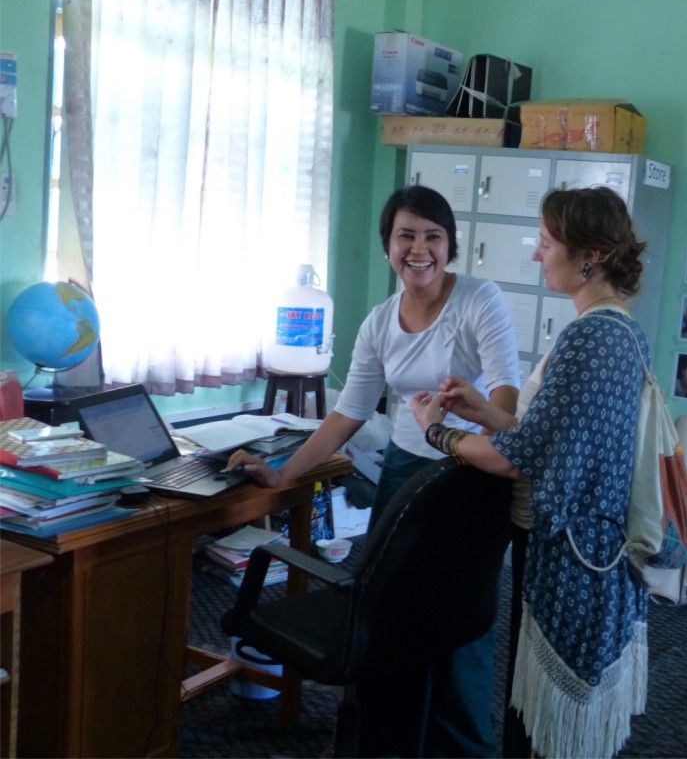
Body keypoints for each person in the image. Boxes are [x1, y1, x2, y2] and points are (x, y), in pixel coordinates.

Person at [227, 185, 520, 758]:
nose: (419, 249)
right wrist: (282, 474)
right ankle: (388, 742)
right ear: (388, 244)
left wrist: (480, 423)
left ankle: (463, 748)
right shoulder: (380, 322)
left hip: (468, 478)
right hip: (404, 477)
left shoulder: (480, 301)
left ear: (449, 245)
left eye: (433, 236)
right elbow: (346, 415)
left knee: (461, 627)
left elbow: (504, 400)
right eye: (405, 235)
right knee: (392, 624)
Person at [410, 186, 651, 758]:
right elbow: (550, 436)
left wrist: (436, 431)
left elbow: (516, 458)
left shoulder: (586, 337)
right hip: (595, 546)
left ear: (587, 255)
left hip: (565, 555)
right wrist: (487, 412)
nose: (537, 255)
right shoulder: (623, 332)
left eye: (545, 243)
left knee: (538, 729)